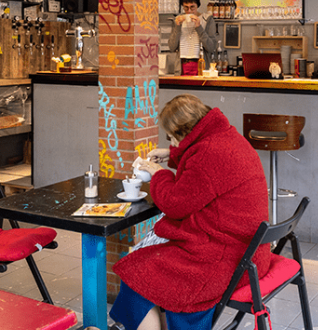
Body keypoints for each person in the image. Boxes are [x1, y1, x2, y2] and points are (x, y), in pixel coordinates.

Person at [109, 94, 270, 330]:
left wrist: (158, 173)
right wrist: (172, 153)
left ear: (184, 133)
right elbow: (202, 175)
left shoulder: (208, 153)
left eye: (172, 138)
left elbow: (175, 204)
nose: (172, 142)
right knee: (146, 269)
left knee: (135, 274)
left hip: (225, 258)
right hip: (250, 252)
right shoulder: (225, 137)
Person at [167, 0, 217, 76]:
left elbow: (211, 47)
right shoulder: (178, 20)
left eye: (192, 7)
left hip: (201, 64)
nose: (189, 11)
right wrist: (177, 27)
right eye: (186, 8)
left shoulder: (207, 19)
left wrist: (199, 27)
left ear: (197, 5)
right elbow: (172, 47)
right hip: (182, 65)